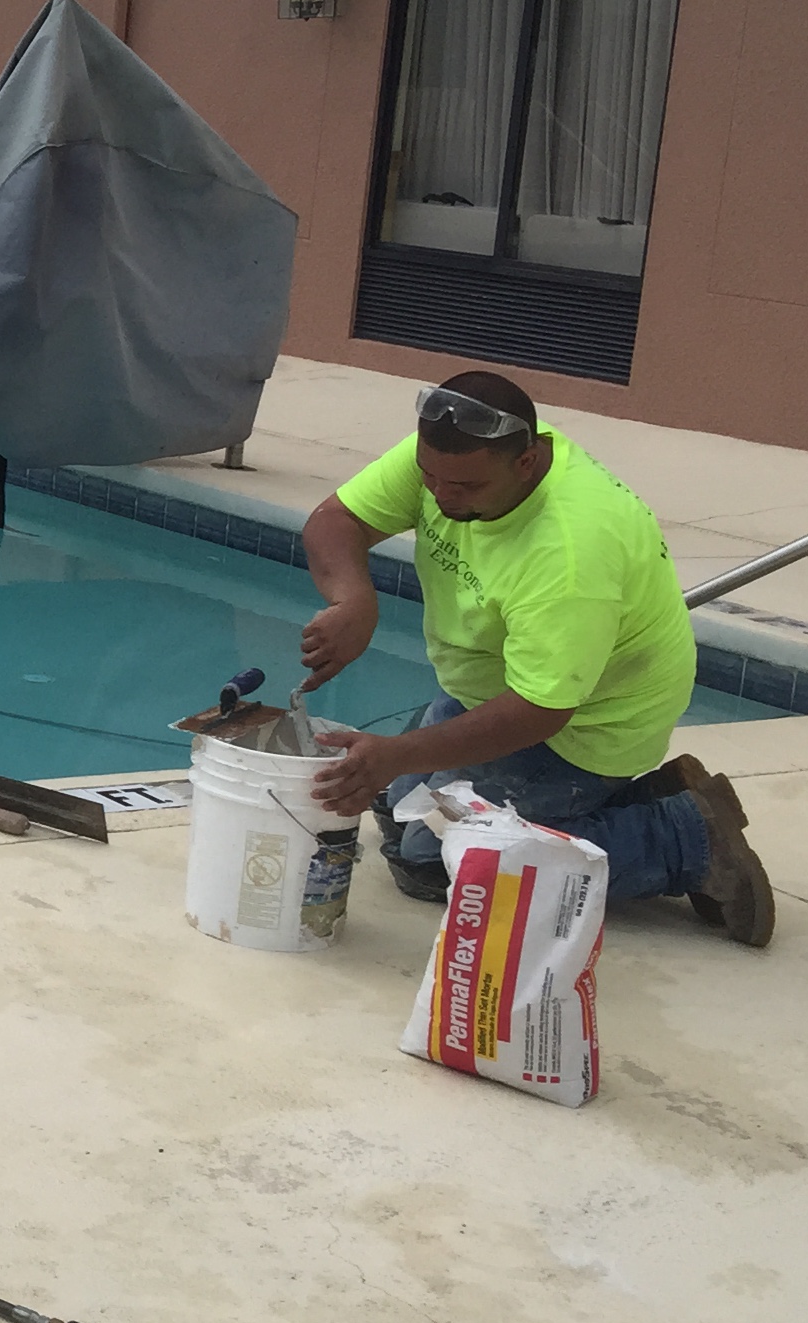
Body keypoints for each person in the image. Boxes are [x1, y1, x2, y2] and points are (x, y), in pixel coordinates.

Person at [296, 369, 773, 946]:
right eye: (430, 478)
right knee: (396, 817)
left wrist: (398, 753)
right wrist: (354, 600)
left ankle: (684, 838)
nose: (442, 498)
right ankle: (610, 805)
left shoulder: (571, 552)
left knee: (435, 860)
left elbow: (540, 711)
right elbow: (335, 520)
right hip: (496, 685)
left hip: (590, 723)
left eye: (464, 488)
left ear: (527, 462)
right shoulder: (460, 454)